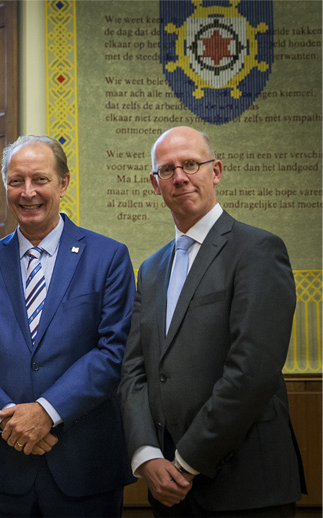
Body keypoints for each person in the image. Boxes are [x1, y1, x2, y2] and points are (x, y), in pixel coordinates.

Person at [119, 126, 306, 517]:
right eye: (167, 170)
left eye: (191, 164)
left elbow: (252, 371)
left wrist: (187, 460)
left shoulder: (257, 250)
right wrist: (147, 453)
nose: (180, 177)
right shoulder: (151, 269)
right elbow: (134, 369)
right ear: (155, 184)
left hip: (245, 486)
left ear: (216, 171)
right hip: (168, 488)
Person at [0, 135, 136, 517]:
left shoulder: (109, 257)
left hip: (84, 471)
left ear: (63, 183)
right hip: (2, 472)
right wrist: (11, 423)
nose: (27, 192)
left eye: (40, 179)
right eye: (16, 181)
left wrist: (46, 412)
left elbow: (114, 350)